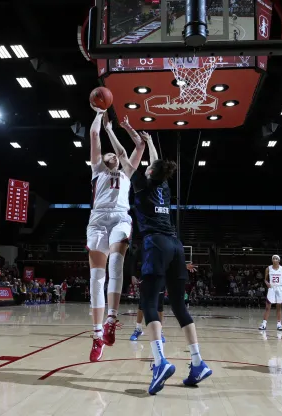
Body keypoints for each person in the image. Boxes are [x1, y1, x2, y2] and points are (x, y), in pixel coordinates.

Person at [104, 119, 212, 395]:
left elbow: (124, 157)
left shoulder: (140, 183)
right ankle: (198, 362)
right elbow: (154, 162)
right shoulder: (163, 186)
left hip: (156, 243)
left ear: (149, 171)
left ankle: (160, 361)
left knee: (148, 303)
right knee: (179, 306)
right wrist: (150, 142)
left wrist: (119, 130)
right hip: (176, 245)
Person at [87, 107, 146, 362]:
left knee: (116, 262)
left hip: (120, 218)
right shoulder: (98, 169)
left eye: (114, 154)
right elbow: (93, 134)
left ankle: (112, 317)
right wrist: (100, 114)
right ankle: (97, 335)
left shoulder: (127, 171)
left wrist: (116, 129)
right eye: (108, 153)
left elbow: (138, 146)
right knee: (96, 279)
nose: (111, 154)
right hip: (98, 220)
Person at [130, 262, 197, 342]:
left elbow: (171, 264)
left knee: (159, 307)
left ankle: (159, 331)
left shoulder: (165, 251)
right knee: (142, 305)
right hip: (147, 277)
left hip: (160, 278)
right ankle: (138, 329)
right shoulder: (145, 250)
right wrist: (133, 275)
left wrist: (184, 266)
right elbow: (135, 259)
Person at [259, 255, 282, 331]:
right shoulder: (268, 268)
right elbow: (265, 279)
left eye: (276, 259)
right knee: (267, 307)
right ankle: (264, 324)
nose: (275, 260)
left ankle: (279, 325)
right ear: (272, 260)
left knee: (278, 307)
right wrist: (267, 283)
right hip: (271, 288)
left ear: (279, 261)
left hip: (279, 288)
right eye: (273, 258)